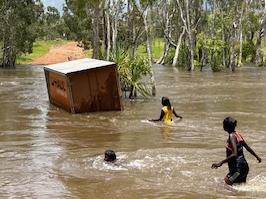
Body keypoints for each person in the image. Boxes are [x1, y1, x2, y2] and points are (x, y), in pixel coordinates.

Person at [211, 117, 261, 185]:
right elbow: (247, 147)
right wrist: (257, 157)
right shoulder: (237, 134)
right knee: (239, 189)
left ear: (225, 127)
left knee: (226, 183)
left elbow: (235, 153)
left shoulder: (231, 136)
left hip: (237, 170)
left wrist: (220, 163)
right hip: (244, 168)